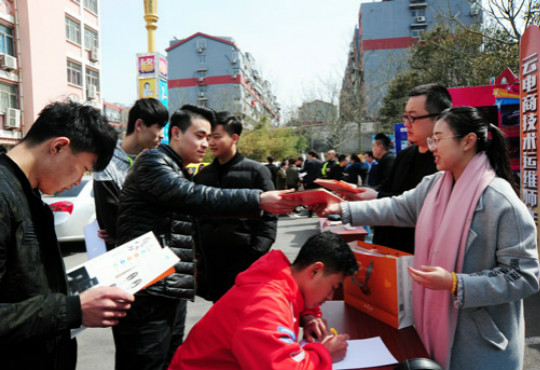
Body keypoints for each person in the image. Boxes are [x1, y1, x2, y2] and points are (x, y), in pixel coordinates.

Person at [313, 107, 540, 370]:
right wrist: (341, 210)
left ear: (468, 141)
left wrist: (456, 283)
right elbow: (395, 207)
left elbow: (524, 276)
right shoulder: (434, 185)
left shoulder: (499, 201)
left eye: (438, 138)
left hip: (480, 344)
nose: (431, 147)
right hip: (430, 327)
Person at [115, 105, 297, 370]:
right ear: (175, 133)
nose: (206, 144)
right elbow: (196, 196)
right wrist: (256, 198)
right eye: (200, 136)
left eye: (210, 137)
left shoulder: (178, 169)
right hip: (148, 289)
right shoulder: (153, 163)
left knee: (170, 359)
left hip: (170, 284)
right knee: (147, 361)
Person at [0, 102, 134, 370]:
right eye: (84, 168)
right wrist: (72, 309)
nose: (78, 182)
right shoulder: (4, 195)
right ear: (58, 146)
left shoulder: (29, 194)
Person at [168, 232, 358, 370]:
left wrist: (307, 315)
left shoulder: (280, 279)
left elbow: (298, 299)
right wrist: (324, 354)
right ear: (315, 271)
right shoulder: (267, 304)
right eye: (333, 287)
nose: (331, 297)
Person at [337, 84, 452, 254]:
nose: (406, 124)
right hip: (387, 247)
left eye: (412, 118)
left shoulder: (446, 162)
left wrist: (375, 196)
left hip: (419, 253)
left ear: (440, 118)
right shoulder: (405, 155)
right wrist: (362, 194)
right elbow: (387, 190)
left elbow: (414, 206)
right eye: (405, 117)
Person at [194, 111, 277, 303]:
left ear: (234, 138)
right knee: (219, 318)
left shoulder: (256, 171)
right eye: (208, 138)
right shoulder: (203, 175)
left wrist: (255, 253)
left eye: (216, 137)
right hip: (212, 262)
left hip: (245, 261)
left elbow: (270, 218)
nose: (210, 143)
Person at [93, 98, 168, 250]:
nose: (162, 135)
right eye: (159, 127)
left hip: (152, 251)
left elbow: (165, 214)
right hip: (123, 256)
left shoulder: (154, 161)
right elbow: (113, 223)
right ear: (139, 125)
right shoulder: (106, 162)